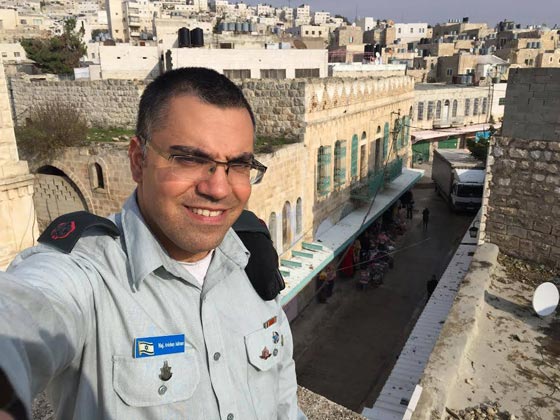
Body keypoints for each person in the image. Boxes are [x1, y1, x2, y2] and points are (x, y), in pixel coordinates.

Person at [0, 68, 306, 419]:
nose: (219, 189)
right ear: (138, 160)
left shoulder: (252, 259)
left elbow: (285, 404)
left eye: (237, 165)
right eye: (190, 159)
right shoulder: (89, 276)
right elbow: (25, 311)